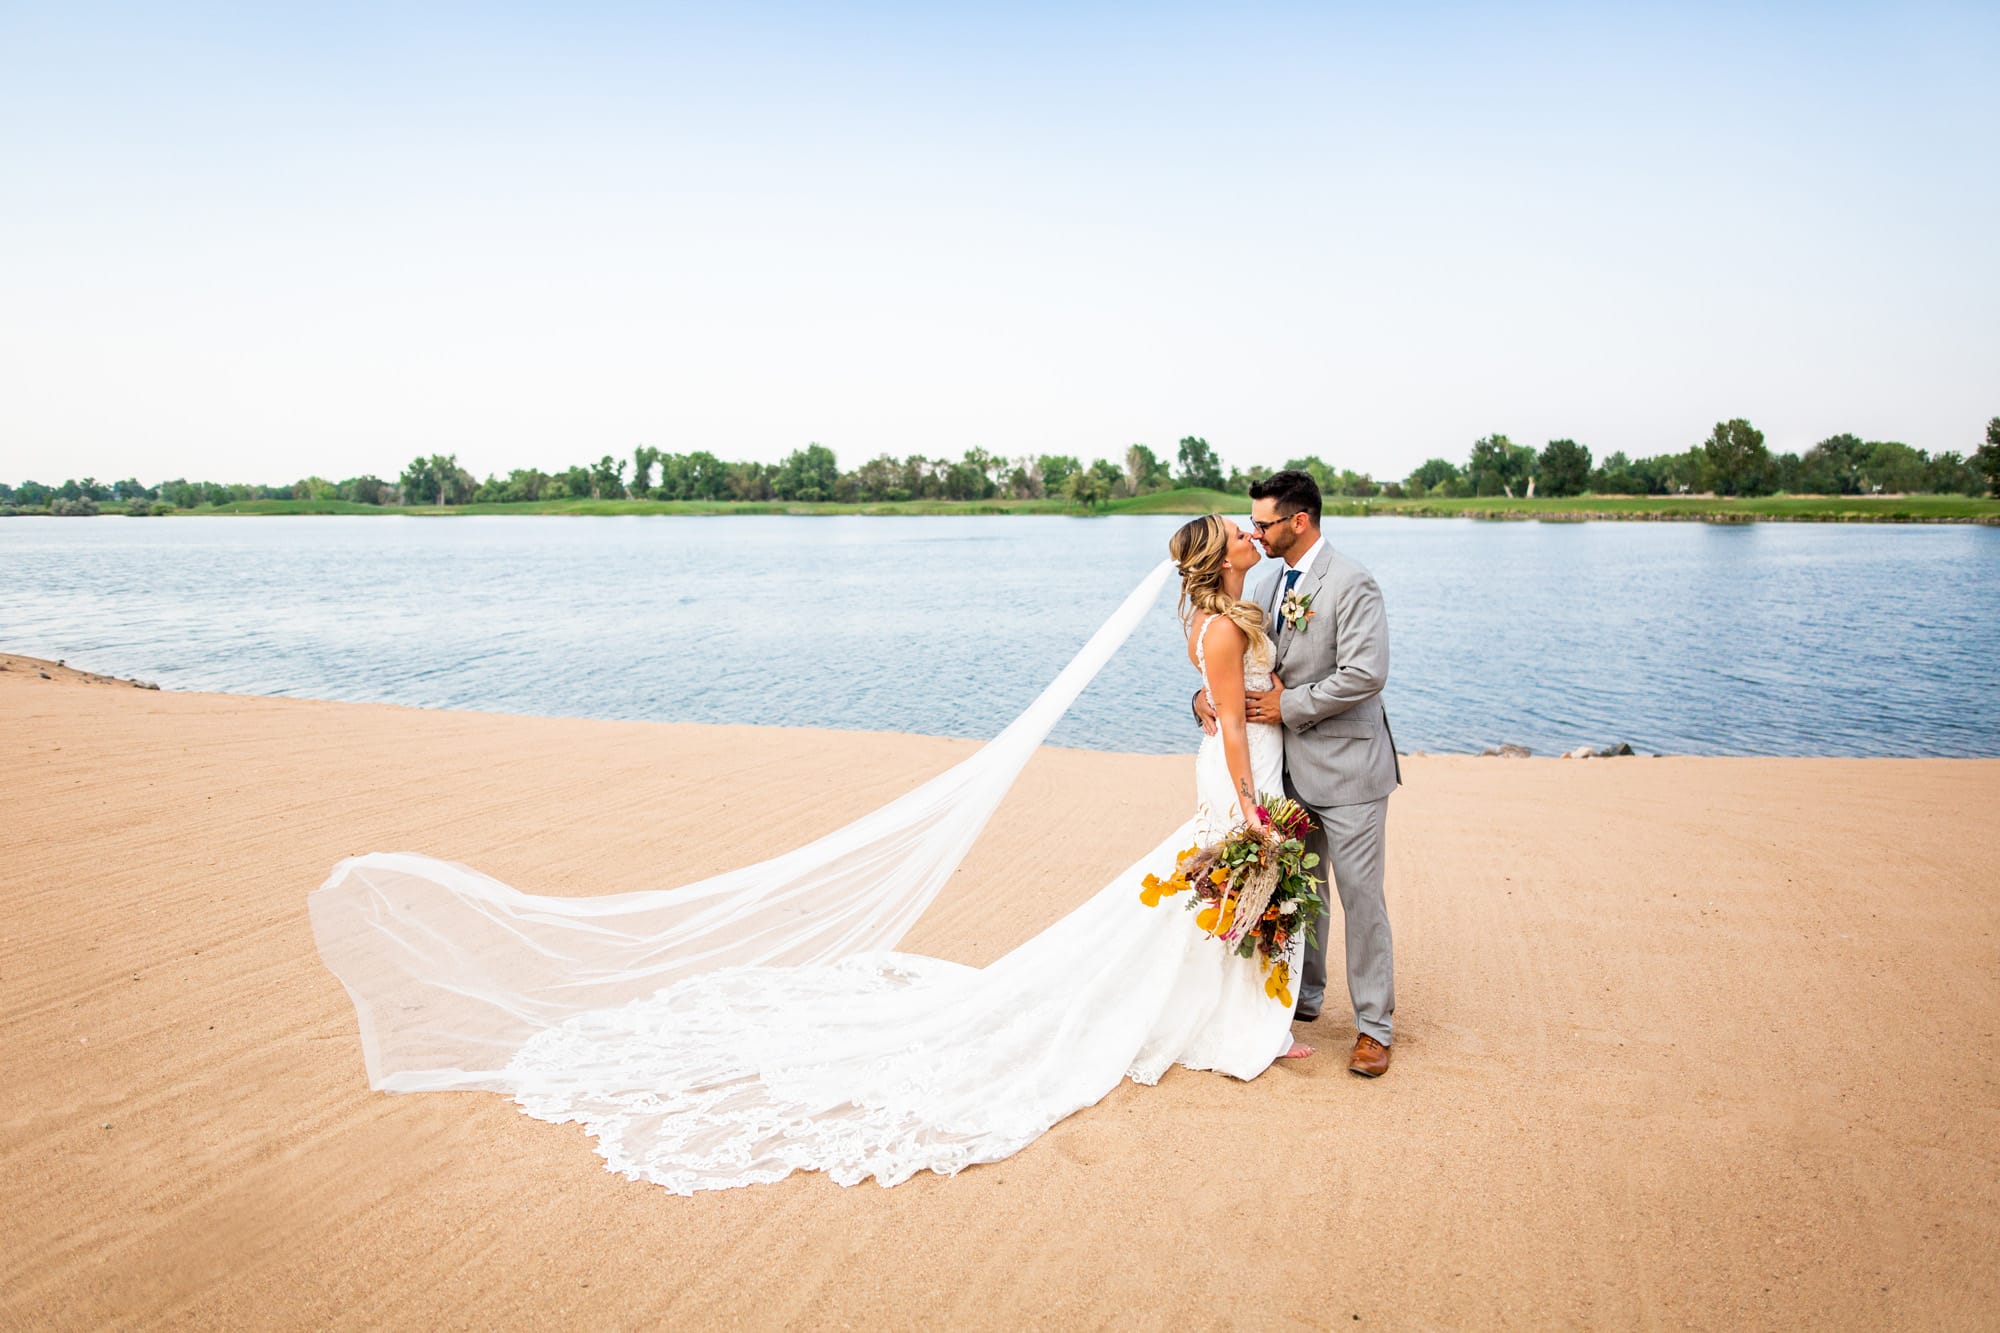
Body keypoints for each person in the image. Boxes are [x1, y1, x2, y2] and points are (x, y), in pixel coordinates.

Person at [312, 523, 1314, 1195]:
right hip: (1236, 775)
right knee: (1192, 898)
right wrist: (1246, 807)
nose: (1249, 534)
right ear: (1216, 560)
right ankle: (1224, 1021)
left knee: (1194, 905)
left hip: (1254, 766)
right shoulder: (1220, 629)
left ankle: (1236, 1015)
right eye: (1237, 532)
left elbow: (1242, 687)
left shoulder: (1232, 611)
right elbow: (1227, 721)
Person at [1193, 469, 1401, 1076]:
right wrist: (1204, 700)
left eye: (1262, 523)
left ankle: (1373, 1029)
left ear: (1298, 521)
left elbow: (1366, 673)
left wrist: (1290, 705)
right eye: (1251, 524)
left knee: (1361, 898)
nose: (1254, 533)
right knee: (1301, 892)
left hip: (1350, 767)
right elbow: (1237, 667)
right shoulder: (1261, 579)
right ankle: (1303, 1000)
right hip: (1283, 771)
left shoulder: (1353, 582)